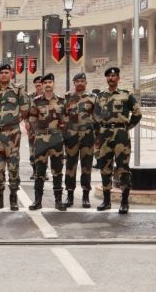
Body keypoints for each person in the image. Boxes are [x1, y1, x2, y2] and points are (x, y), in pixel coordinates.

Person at [94, 67, 142, 213]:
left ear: (118, 78)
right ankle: (106, 201)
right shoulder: (100, 96)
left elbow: (137, 113)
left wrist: (127, 127)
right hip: (104, 134)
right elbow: (95, 116)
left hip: (121, 134)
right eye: (108, 76)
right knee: (105, 167)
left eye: (114, 76)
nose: (111, 78)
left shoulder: (126, 95)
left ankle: (124, 202)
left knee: (123, 168)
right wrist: (98, 134)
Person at [0, 63, 29, 211]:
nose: (4, 75)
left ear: (10, 74)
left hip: (13, 134)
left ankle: (13, 197)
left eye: (6, 72)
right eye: (1, 73)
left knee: (13, 165)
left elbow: (24, 110)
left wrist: (12, 122)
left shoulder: (18, 90)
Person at [27, 73, 66, 210]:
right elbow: (32, 120)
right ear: (42, 85)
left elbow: (66, 120)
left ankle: (58, 201)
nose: (48, 84)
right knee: (40, 171)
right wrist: (37, 133)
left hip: (56, 138)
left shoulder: (61, 101)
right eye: (45, 83)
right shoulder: (36, 101)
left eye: (50, 82)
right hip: (41, 139)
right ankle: (37, 201)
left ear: (53, 84)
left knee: (57, 170)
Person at [64, 72, 96, 208]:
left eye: (83, 81)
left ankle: (85, 196)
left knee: (86, 167)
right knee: (70, 167)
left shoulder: (93, 98)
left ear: (86, 83)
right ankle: (70, 195)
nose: (80, 83)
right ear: (74, 83)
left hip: (87, 137)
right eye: (78, 81)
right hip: (71, 137)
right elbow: (63, 118)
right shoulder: (67, 98)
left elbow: (97, 117)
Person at [25, 76, 44, 180]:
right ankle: (34, 171)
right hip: (32, 128)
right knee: (33, 150)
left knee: (44, 150)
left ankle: (43, 172)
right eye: (36, 82)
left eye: (40, 82)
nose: (38, 84)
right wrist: (26, 122)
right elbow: (25, 111)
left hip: (45, 129)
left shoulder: (47, 97)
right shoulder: (30, 97)